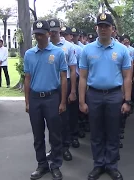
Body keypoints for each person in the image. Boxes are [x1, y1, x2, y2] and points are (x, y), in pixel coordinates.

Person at [79, 13, 132, 180]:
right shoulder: (87, 50)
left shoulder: (122, 50)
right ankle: (98, 164)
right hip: (93, 95)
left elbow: (127, 77)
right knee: (96, 132)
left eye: (106, 26)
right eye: (100, 26)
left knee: (112, 131)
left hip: (114, 95)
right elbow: (82, 77)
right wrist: (81, 100)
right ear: (96, 28)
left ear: (112, 29)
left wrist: (127, 100)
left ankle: (111, 165)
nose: (103, 29)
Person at [24, 20, 67, 180]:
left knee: (55, 134)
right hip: (35, 98)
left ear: (49, 34)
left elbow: (63, 78)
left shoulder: (58, 53)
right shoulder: (29, 54)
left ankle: (55, 165)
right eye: (37, 35)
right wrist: (27, 101)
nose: (39, 37)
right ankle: (42, 165)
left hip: (52, 98)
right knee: (38, 135)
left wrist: (63, 101)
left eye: (42, 34)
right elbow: (27, 79)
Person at [47, 19, 77, 162]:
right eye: (51, 30)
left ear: (60, 30)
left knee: (65, 119)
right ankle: (54, 148)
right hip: (50, 88)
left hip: (66, 85)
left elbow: (73, 69)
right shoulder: (43, 46)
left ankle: (65, 147)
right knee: (51, 119)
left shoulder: (69, 47)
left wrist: (73, 91)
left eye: (55, 30)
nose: (53, 32)